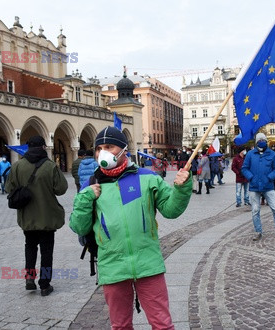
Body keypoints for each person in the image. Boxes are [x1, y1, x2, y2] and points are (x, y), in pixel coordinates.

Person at [69, 126, 192, 329]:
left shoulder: (147, 178)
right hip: (113, 266)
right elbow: (79, 227)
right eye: (98, 148)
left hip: (148, 264)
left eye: (109, 147)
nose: (102, 153)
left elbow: (172, 210)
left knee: (162, 324)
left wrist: (181, 188)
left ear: (124, 150)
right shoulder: (91, 185)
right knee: (120, 326)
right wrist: (85, 198)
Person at [5, 136, 68, 296]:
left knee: (30, 246)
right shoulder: (50, 166)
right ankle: (45, 285)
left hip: (27, 216)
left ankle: (29, 278)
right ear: (43, 147)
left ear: (27, 147)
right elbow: (61, 189)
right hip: (47, 216)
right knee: (47, 251)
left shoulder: (17, 166)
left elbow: (8, 188)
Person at [241, 133, 275, 240]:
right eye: (259, 140)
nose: (262, 141)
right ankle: (258, 232)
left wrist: (270, 177)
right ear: (256, 142)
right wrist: (251, 178)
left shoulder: (272, 154)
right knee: (255, 210)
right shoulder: (250, 154)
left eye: (264, 139)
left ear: (266, 141)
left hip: (268, 186)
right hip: (254, 186)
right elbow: (244, 168)